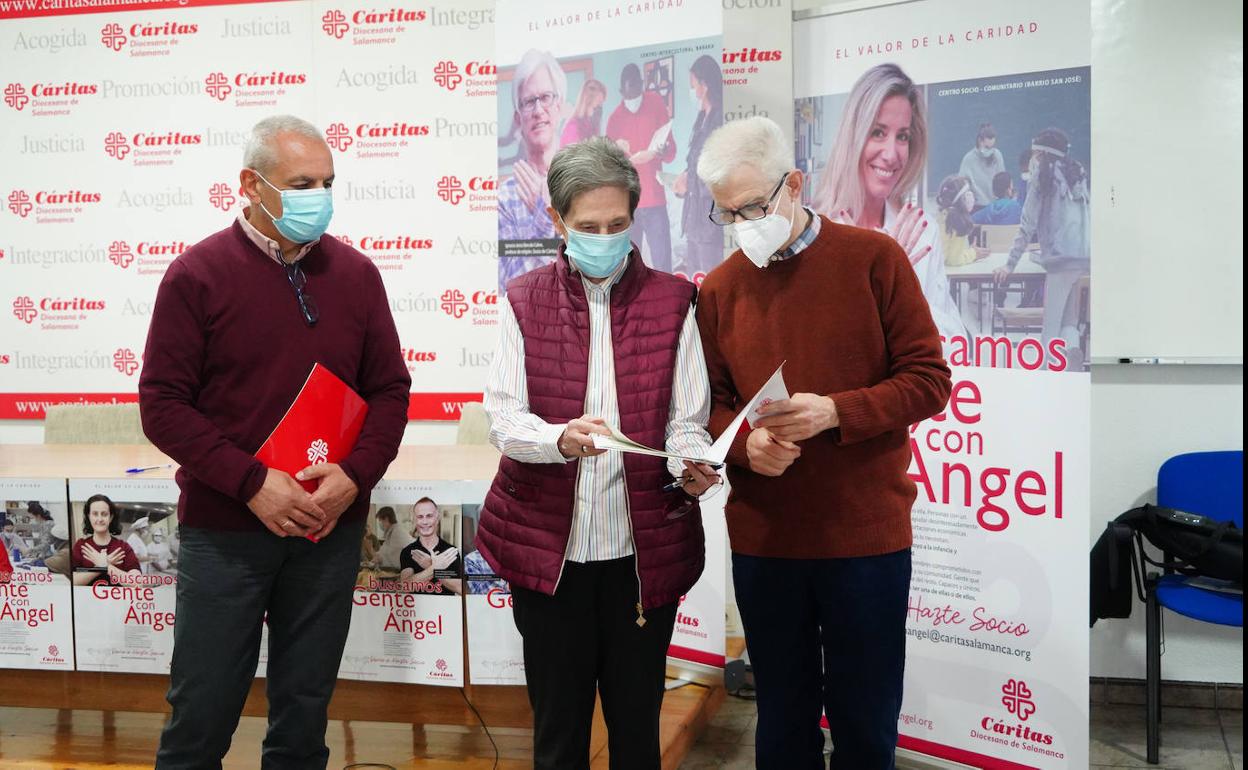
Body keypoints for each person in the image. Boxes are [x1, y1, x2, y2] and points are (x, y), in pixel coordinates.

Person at [138, 114, 410, 769]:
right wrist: (253, 484)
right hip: (228, 532)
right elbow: (162, 407)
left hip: (326, 530)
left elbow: (391, 393)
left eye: (328, 181)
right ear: (251, 186)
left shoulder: (357, 275)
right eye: (301, 183)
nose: (320, 195)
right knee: (201, 714)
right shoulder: (195, 276)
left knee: (303, 717)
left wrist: (357, 475)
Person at [695, 116, 952, 769]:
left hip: (864, 539)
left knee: (866, 725)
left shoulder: (873, 259)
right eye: (727, 213)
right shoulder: (721, 289)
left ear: (796, 185)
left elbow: (928, 381)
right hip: (766, 540)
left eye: (754, 206)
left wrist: (837, 411)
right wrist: (744, 447)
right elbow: (708, 407)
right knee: (781, 722)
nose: (743, 224)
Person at [477, 137, 719, 770]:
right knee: (559, 733)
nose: (605, 237)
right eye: (588, 226)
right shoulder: (522, 300)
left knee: (637, 728)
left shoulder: (674, 301)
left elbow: (686, 422)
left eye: (618, 224)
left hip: (642, 558)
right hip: (549, 555)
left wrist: (692, 468)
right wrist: (556, 440)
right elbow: (503, 418)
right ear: (557, 221)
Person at [814, 63, 968, 345]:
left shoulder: (922, 231)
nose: (892, 153)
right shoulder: (815, 234)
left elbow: (954, 341)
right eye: (878, 133)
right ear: (853, 135)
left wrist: (901, 285)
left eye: (903, 137)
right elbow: (815, 350)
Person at [994, 127, 1090, 369]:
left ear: (1043, 155)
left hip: (1060, 260)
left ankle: (1048, 375)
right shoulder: (1076, 173)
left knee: (1050, 327)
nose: (1033, 160)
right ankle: (1071, 358)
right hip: (1082, 257)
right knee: (1068, 319)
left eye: (1035, 153)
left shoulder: (1042, 176)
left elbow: (1027, 225)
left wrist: (1009, 264)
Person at [499, 49, 568, 288]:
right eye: (529, 101)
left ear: (559, 106)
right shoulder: (505, 198)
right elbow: (512, 284)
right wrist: (545, 215)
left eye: (546, 97)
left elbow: (591, 270)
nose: (538, 110)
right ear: (518, 118)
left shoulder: (586, 185)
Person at [606, 63, 677, 273]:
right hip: (627, 205)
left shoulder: (656, 104)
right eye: (628, 95)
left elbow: (671, 151)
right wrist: (617, 152)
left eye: (636, 92)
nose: (633, 99)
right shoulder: (614, 119)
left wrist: (659, 151)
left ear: (642, 86)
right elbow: (607, 169)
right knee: (627, 269)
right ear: (621, 92)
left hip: (654, 199)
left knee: (663, 264)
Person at [674, 54, 725, 279]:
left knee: (711, 284)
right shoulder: (700, 118)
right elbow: (693, 162)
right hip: (694, 220)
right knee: (696, 284)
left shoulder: (719, 119)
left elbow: (721, 173)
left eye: (693, 85)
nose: (692, 91)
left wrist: (691, 185)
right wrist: (682, 179)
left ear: (704, 85)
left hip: (710, 221)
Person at [71, 495, 142, 586]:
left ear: (111, 517)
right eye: (95, 514)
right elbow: (73, 582)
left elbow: (138, 584)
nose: (99, 519)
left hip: (117, 599)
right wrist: (99, 567)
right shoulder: (81, 546)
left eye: (104, 514)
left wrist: (106, 566)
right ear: (89, 516)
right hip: (87, 600)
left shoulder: (123, 547)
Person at [398, 498, 462, 594]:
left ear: (437, 518)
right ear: (415, 520)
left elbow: (460, 588)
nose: (425, 522)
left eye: (429, 516)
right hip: (417, 608)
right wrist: (435, 567)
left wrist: (430, 566)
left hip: (445, 608)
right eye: (420, 517)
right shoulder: (408, 551)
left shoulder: (450, 551)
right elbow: (406, 586)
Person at [936, 174, 990, 267]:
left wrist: (968, 251)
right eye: (969, 193)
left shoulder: (942, 215)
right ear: (964, 198)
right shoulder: (957, 220)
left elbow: (949, 252)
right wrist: (974, 254)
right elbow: (954, 260)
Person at [958, 122, 1006, 209]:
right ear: (980, 141)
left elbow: (1003, 180)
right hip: (976, 206)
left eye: (992, 147)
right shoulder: (968, 159)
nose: (990, 150)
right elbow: (961, 184)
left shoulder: (997, 155)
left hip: (994, 205)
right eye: (987, 147)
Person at [561, 78, 607, 147]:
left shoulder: (591, 125)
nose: (599, 110)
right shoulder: (573, 126)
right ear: (587, 101)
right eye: (598, 104)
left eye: (601, 104)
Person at [368, 506, 413, 571]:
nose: (380, 523)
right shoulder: (391, 531)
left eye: (380, 520)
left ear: (386, 519)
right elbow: (384, 549)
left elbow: (393, 556)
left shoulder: (397, 532)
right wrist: (377, 555)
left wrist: (379, 558)